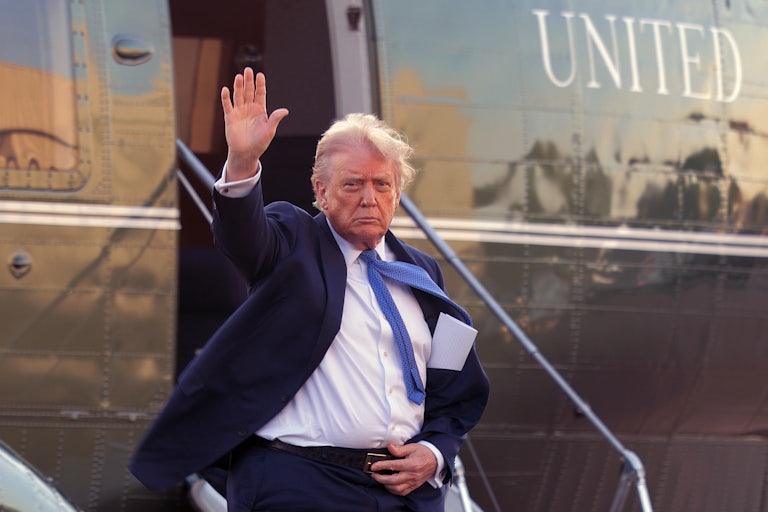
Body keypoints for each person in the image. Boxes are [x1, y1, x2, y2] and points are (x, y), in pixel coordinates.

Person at [130, 67, 489, 512]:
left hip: (405, 493)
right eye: (352, 184)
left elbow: (455, 386)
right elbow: (245, 238)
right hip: (301, 483)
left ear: (397, 194)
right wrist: (242, 162)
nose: (368, 198)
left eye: (382, 185)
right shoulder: (293, 244)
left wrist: (435, 453)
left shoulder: (423, 274)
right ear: (321, 190)